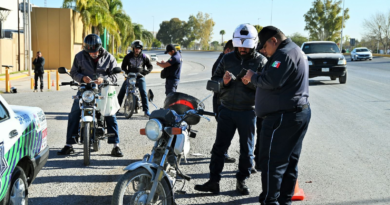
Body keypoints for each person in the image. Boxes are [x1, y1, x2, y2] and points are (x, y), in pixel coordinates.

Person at [194, 24, 267, 195]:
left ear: (254, 44)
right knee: (219, 148)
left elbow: (266, 89)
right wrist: (223, 82)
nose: (242, 49)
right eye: (239, 45)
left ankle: (242, 181)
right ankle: (214, 182)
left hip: (248, 112)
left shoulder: (261, 61)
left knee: (246, 150)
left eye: (246, 46)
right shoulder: (226, 59)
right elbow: (214, 81)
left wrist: (251, 83)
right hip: (226, 109)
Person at [242, 26, 311, 204]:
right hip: (295, 114)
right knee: (289, 162)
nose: (264, 52)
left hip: (283, 118)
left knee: (273, 163)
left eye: (264, 47)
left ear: (274, 40)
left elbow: (271, 81)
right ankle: (283, 200)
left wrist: (252, 76)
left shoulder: (284, 54)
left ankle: (270, 201)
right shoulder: (295, 50)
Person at [57, 34, 123, 157]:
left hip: (103, 89)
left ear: (100, 47)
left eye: (95, 51)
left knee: (110, 113)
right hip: (84, 89)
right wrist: (82, 78)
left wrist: (103, 79)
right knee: (74, 112)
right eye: (90, 52)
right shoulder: (79, 56)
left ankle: (116, 146)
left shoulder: (109, 57)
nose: (93, 54)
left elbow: (115, 75)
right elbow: (74, 72)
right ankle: (69, 145)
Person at [211, 40, 236, 164]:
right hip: (220, 100)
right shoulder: (222, 62)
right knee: (225, 130)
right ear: (227, 50)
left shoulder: (224, 60)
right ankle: (221, 153)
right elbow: (216, 82)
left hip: (222, 100)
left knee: (225, 130)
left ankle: (220, 151)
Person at [118, 40, 153, 116]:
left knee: (143, 91)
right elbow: (123, 67)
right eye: (136, 48)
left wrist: (145, 72)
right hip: (130, 77)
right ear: (133, 48)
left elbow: (150, 66)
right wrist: (127, 73)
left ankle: (146, 111)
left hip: (140, 77)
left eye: (139, 48)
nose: (137, 50)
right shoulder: (128, 57)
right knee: (122, 91)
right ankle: (116, 109)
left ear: (141, 49)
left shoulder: (144, 57)